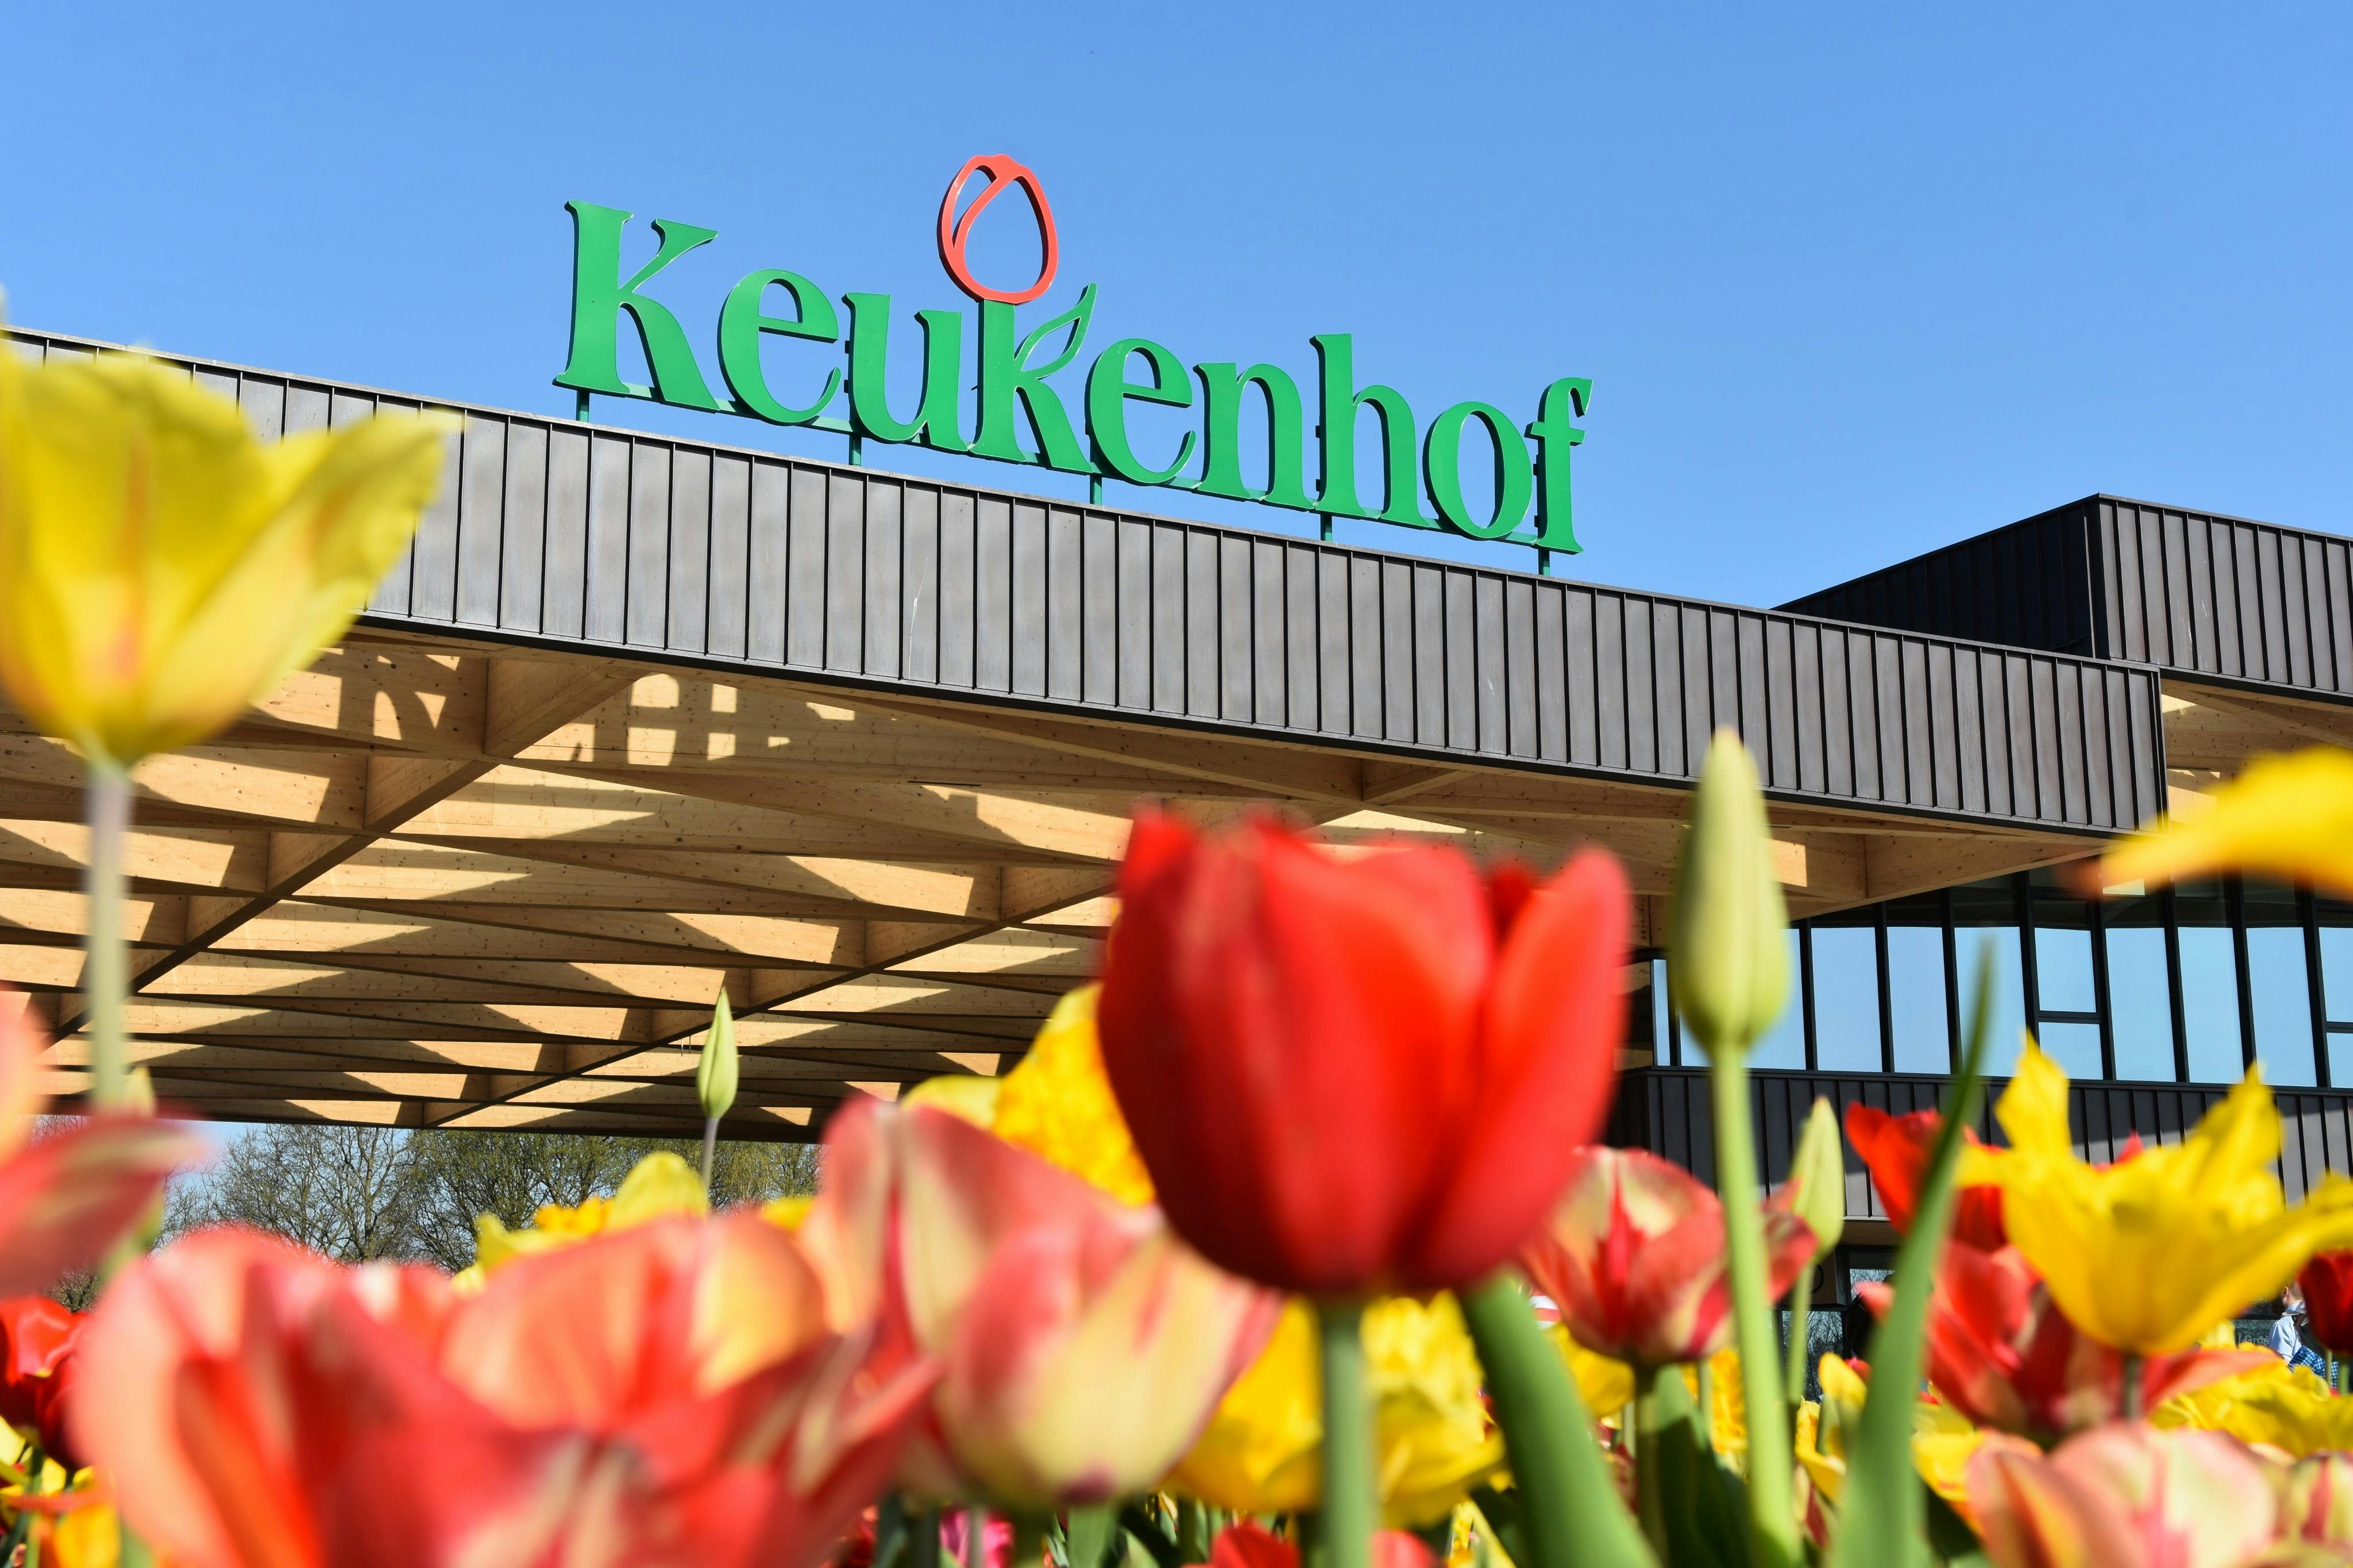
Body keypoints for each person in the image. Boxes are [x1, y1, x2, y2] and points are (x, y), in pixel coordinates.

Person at [2270, 1284, 2331, 1376]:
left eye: (2295, 1318)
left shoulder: (2310, 1353)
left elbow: (2285, 1378)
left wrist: (2270, 1357)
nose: (2294, 1324)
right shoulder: (2342, 1349)